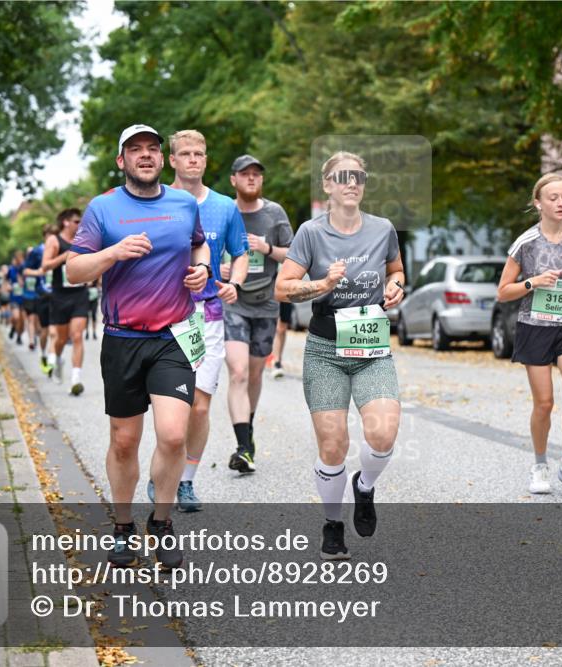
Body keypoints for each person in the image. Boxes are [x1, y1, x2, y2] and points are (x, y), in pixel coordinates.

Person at [66, 123, 210, 569]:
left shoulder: (183, 204)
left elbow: (200, 248)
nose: (145, 155)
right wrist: (113, 253)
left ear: (163, 159)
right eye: (134, 149)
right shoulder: (103, 208)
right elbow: (74, 270)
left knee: (173, 434)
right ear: (121, 160)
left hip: (173, 337)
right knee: (125, 441)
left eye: (152, 148)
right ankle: (124, 527)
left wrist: (203, 271)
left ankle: (161, 523)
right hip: (123, 338)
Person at [276, 151, 405, 560]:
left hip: (371, 347)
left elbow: (396, 270)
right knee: (333, 445)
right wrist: (323, 283)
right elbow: (283, 288)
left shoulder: (383, 229)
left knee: (383, 434)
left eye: (359, 176)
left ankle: (364, 487)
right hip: (325, 349)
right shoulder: (311, 233)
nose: (352, 183)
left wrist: (396, 286)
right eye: (343, 176)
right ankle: (333, 523)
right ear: (328, 185)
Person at [145, 130, 249, 511]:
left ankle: (185, 480)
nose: (193, 159)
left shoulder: (224, 207)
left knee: (200, 406)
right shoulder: (156, 201)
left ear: (206, 160)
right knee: (174, 405)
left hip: (207, 316)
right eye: (185, 153)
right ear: (171, 160)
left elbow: (241, 253)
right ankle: (163, 470)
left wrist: (235, 283)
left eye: (199, 154)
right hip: (163, 315)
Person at [496, 174, 562, 496]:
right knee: (544, 403)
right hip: (535, 327)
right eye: (553, 198)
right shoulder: (525, 243)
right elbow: (503, 292)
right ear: (538, 203)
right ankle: (540, 465)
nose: (561, 203)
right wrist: (533, 282)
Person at [224, 154, 293, 473]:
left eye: (256, 174)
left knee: (254, 373)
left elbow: (293, 254)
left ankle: (247, 430)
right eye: (245, 173)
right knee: (237, 372)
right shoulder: (224, 211)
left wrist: (267, 249)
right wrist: (218, 267)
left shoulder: (274, 213)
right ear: (233, 180)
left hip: (265, 304)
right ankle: (243, 446)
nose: (251, 178)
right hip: (233, 302)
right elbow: (202, 248)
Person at [43, 208, 90, 395]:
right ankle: (57, 358)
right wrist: (66, 256)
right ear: (66, 222)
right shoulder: (54, 240)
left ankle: (75, 380)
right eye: (77, 221)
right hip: (60, 296)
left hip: (79, 294)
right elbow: (45, 265)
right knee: (61, 339)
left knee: (77, 335)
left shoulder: (84, 239)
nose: (80, 224)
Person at [24, 224, 56, 373]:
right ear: (45, 236)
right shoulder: (37, 252)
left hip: (58, 295)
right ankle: (43, 354)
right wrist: (39, 272)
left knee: (54, 332)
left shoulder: (62, 249)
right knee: (45, 331)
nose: (53, 239)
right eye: (50, 236)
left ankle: (52, 361)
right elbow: (26, 271)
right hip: (42, 295)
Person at [7, 250, 26, 344]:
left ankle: (19, 336)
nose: (19, 260)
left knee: (22, 320)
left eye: (20, 258)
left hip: (24, 297)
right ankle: (13, 328)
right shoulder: (11, 269)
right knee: (16, 317)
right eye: (17, 258)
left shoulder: (25, 268)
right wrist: (7, 286)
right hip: (14, 297)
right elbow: (6, 280)